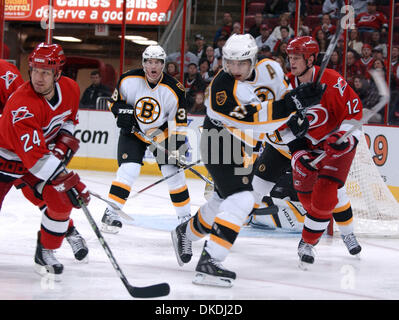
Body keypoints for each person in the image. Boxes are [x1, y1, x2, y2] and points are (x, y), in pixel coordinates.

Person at [171, 33, 325, 287]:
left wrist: (298, 113)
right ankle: (210, 261)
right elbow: (255, 117)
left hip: (243, 143)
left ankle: (184, 233)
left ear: (253, 59)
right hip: (217, 139)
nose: (235, 69)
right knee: (242, 198)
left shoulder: (272, 69)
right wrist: (292, 106)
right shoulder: (221, 89)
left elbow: (283, 100)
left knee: (222, 199)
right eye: (230, 63)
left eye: (241, 63)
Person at [0, 42, 90, 280]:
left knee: (60, 199)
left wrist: (61, 147)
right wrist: (69, 179)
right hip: (4, 160)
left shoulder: (70, 89)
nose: (38, 78)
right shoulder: (22, 105)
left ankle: (46, 252)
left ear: (58, 73)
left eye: (46, 72)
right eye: (35, 71)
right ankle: (68, 231)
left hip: (31, 158)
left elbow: (69, 121)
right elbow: (38, 161)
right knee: (63, 187)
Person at [284, 36, 363, 266]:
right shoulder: (286, 86)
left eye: (297, 57)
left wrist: (342, 138)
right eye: (290, 57)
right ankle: (344, 231)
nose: (292, 62)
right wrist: (298, 153)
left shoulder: (332, 80)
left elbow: (355, 116)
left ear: (310, 59)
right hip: (309, 146)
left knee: (327, 192)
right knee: (310, 200)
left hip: (340, 142)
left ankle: (308, 242)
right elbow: (280, 128)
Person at [102, 45, 192, 234]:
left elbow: (179, 122)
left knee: (173, 173)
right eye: (149, 61)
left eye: (158, 62)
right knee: (129, 169)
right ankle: (111, 212)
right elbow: (113, 103)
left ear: (163, 64)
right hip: (134, 132)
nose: (153, 66)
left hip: (161, 133)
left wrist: (177, 147)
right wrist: (121, 113)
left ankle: (184, 218)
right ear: (143, 63)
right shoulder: (128, 79)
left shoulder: (175, 89)